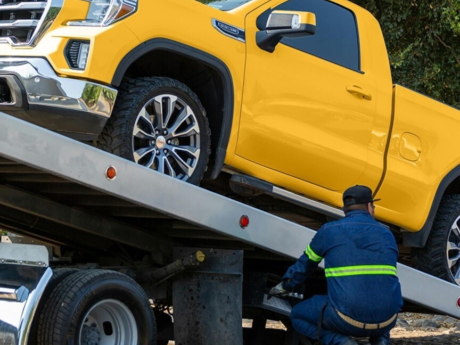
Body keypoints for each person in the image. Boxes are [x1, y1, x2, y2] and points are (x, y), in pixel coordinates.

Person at [269, 185, 403, 345]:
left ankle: (341, 342)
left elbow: (304, 266)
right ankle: (380, 342)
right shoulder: (387, 234)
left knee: (297, 315)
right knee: (380, 303)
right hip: (389, 319)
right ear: (369, 207)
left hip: (346, 319)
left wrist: (285, 286)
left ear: (345, 210)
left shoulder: (329, 231)